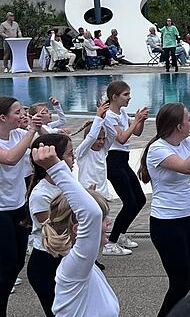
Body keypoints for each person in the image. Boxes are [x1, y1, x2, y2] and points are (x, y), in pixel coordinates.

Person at [138, 104, 190, 317]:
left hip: (186, 219)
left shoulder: (185, 142)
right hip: (166, 223)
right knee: (179, 281)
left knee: (189, 277)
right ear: (178, 126)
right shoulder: (159, 149)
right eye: (188, 118)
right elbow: (186, 167)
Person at [33, 142, 119, 317]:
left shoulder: (86, 265)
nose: (109, 223)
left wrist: (86, 194)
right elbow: (92, 215)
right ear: (79, 229)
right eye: (104, 220)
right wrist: (56, 168)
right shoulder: (74, 267)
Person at [0, 96, 41, 312]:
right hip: (1, 211)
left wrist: (40, 127)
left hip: (18, 206)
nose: (22, 115)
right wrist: (32, 131)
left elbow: (44, 145)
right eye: (17, 112)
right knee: (6, 264)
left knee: (17, 262)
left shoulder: (18, 134)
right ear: (3, 117)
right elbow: (9, 158)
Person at [26, 134, 74, 317]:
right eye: (70, 154)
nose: (74, 158)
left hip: (63, 256)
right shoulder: (41, 194)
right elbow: (55, 230)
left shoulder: (67, 184)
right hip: (46, 261)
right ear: (56, 159)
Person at [102, 81, 148, 256]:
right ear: (114, 97)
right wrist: (135, 121)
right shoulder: (108, 116)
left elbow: (136, 133)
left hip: (123, 160)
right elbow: (121, 138)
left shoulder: (120, 112)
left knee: (140, 199)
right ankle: (110, 242)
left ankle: (120, 234)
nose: (129, 98)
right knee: (129, 202)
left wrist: (140, 121)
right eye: (126, 95)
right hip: (113, 160)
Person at [75, 102, 112, 200]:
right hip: (87, 194)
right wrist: (98, 117)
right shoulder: (82, 152)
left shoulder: (103, 151)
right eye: (99, 139)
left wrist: (105, 118)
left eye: (103, 139)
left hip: (103, 194)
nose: (102, 142)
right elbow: (91, 137)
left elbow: (112, 134)